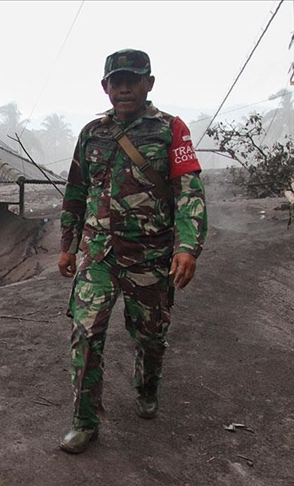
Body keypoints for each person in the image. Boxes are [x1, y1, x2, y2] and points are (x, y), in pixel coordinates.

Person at [57, 49, 208, 454]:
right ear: (105, 87)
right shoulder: (91, 133)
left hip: (150, 256)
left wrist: (188, 246)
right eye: (116, 81)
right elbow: (76, 191)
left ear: (149, 84)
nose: (123, 88)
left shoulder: (172, 131)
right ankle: (85, 422)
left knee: (150, 336)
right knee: (85, 334)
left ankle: (147, 387)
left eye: (132, 80)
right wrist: (68, 245)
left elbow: (189, 191)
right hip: (99, 255)